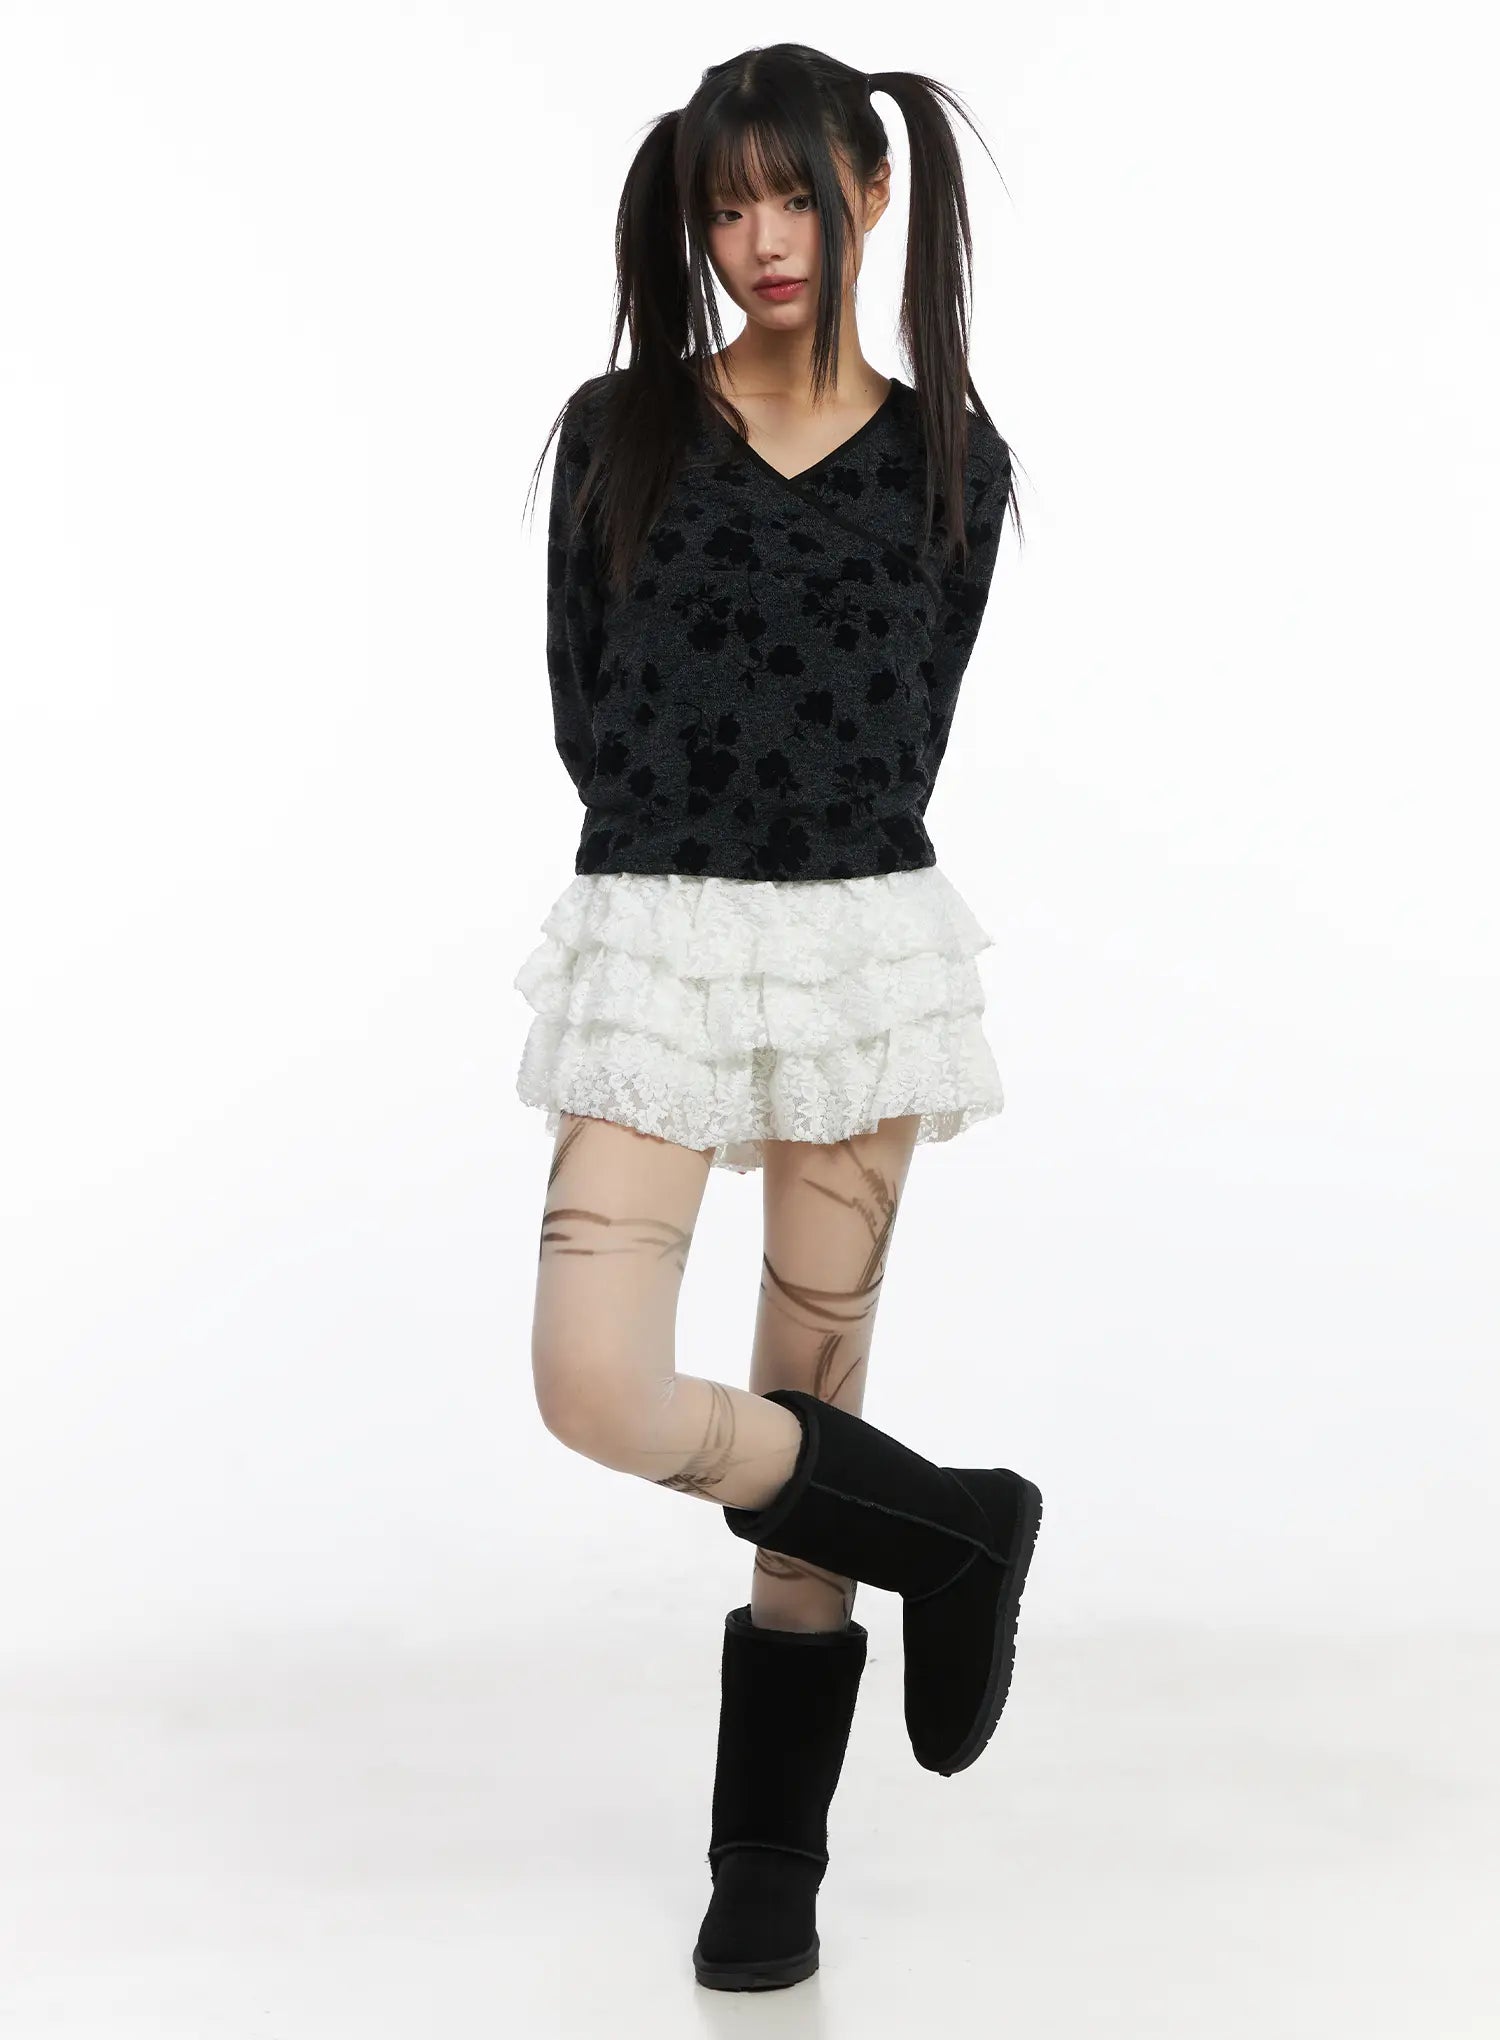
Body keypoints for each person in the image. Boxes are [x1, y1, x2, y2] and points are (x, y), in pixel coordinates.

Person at [514, 44, 1042, 1992]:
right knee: (596, 1382)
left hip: (859, 949)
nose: (760, 239)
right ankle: (956, 1532)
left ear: (870, 195)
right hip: (659, 932)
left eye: (795, 195)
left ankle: (770, 1859)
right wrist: (695, 850)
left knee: (813, 1403)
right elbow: (586, 707)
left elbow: (918, 725)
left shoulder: (953, 461)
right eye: (725, 205)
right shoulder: (621, 428)